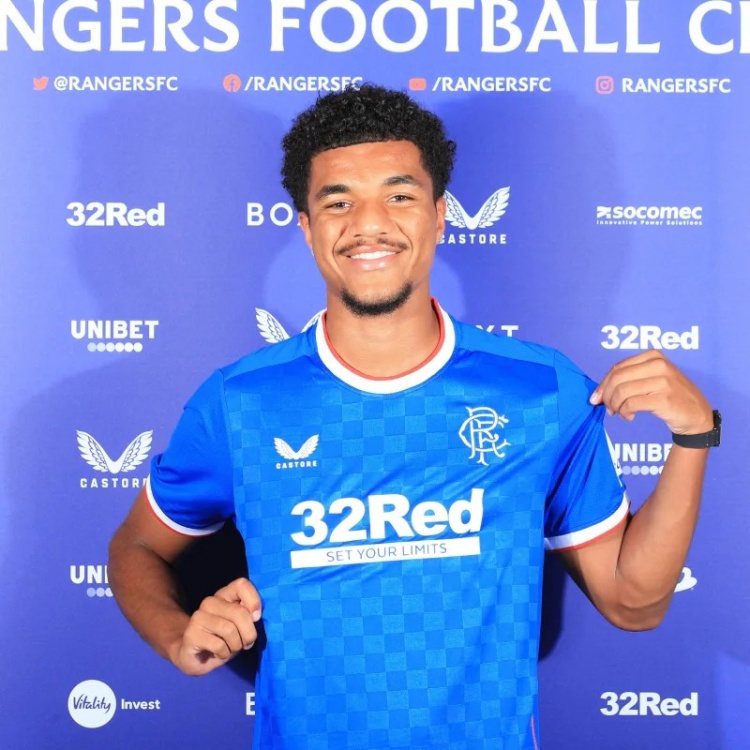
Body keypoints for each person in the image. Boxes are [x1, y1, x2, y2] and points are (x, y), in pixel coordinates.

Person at [108, 84, 719, 750]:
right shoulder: (240, 401)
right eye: (338, 202)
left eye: (398, 196)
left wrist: (693, 437)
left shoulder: (540, 390)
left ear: (440, 215)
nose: (368, 224)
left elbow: (634, 602)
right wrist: (178, 635)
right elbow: (136, 548)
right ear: (307, 228)